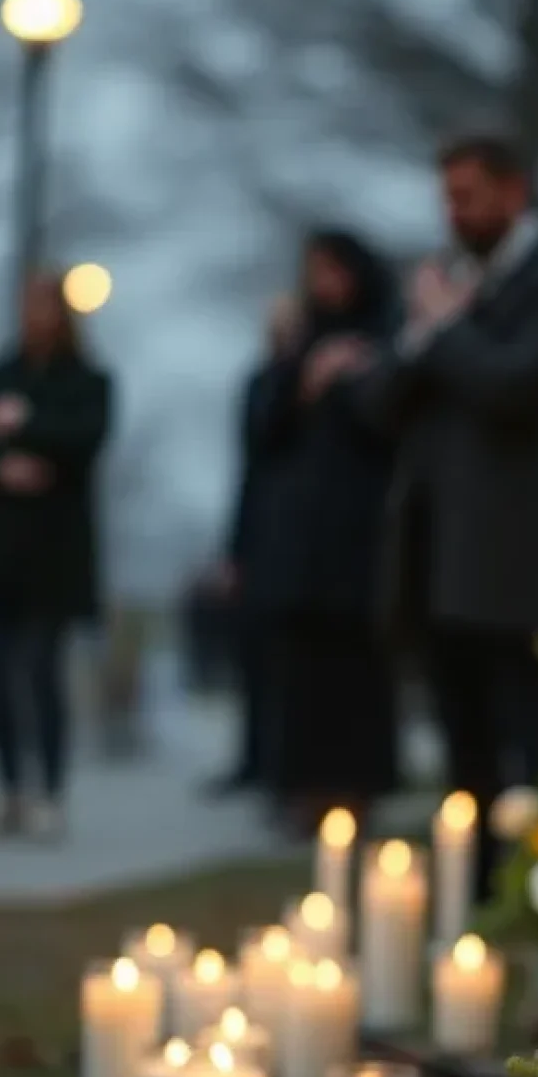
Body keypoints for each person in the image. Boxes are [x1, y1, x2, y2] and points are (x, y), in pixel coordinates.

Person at [358, 133, 538, 900]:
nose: (454, 213)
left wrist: (448, 330)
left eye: (469, 195)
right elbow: (379, 402)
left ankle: (535, 898)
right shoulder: (441, 286)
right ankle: (471, 898)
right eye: (447, 197)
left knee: (520, 740)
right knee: (462, 750)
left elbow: (517, 388)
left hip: (510, 562)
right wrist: (427, 331)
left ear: (513, 192)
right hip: (433, 555)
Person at [255, 235, 399, 832]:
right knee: (303, 672)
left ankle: (357, 791)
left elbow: (390, 421)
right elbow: (261, 431)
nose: (325, 284)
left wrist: (356, 378)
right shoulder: (300, 348)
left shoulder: (384, 340)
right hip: (303, 543)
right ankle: (301, 791)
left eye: (334, 271)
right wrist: (307, 380)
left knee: (357, 670)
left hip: (362, 535)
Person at [0, 272, 112, 837]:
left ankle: (49, 790)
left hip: (54, 555)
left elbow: (84, 440)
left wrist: (25, 425)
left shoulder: (89, 381)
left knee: (41, 672)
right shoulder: (7, 372)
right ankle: (13, 789)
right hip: (5, 551)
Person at [204, 292, 301, 798]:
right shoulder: (262, 385)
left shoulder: (308, 383)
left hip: (297, 540)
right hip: (260, 533)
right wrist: (233, 552)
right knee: (252, 655)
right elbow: (249, 469)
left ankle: (280, 764)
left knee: (287, 661)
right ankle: (252, 758)